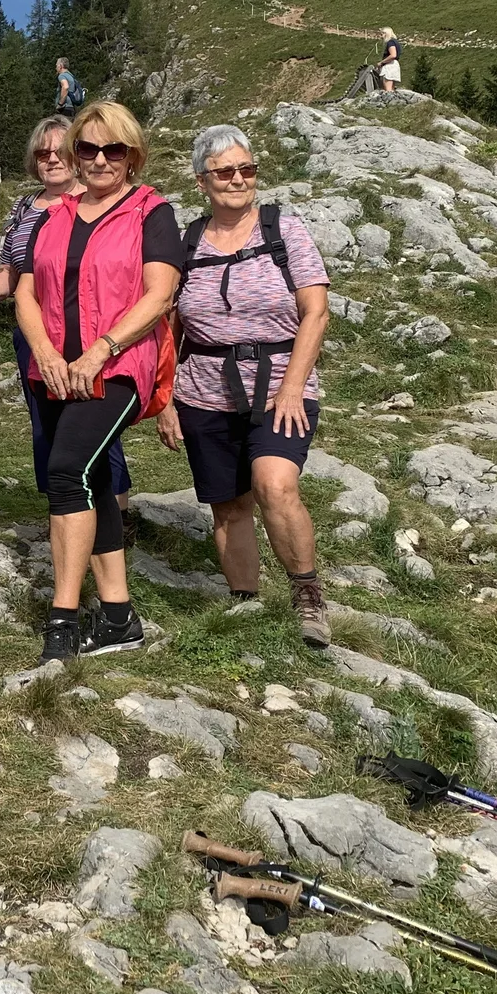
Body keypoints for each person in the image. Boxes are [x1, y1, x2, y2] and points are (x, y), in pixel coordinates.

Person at [154, 124, 333, 647]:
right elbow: (169, 325)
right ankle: (245, 603)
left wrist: (293, 388)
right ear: (201, 181)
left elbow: (315, 312)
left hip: (281, 383)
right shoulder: (185, 243)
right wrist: (166, 400)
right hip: (202, 391)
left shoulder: (285, 230)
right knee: (228, 505)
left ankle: (307, 596)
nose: (238, 179)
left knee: (275, 485)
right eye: (226, 172)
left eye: (247, 169)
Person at [15, 102, 179, 663]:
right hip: (56, 367)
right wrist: (43, 350)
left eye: (114, 149)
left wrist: (102, 350)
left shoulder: (151, 212)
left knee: (65, 472)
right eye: (88, 149)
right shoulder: (53, 215)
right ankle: (118, 615)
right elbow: (25, 291)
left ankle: (61, 618)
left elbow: (159, 295)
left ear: (133, 155)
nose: (101, 159)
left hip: (117, 365)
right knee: (93, 479)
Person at [0, 114, 134, 512]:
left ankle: (117, 507)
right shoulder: (24, 207)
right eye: (42, 153)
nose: (51, 159)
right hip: (34, 333)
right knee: (47, 425)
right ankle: (64, 505)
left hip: (87, 331)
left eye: (60, 150)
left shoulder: (94, 201)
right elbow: (11, 268)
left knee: (94, 423)